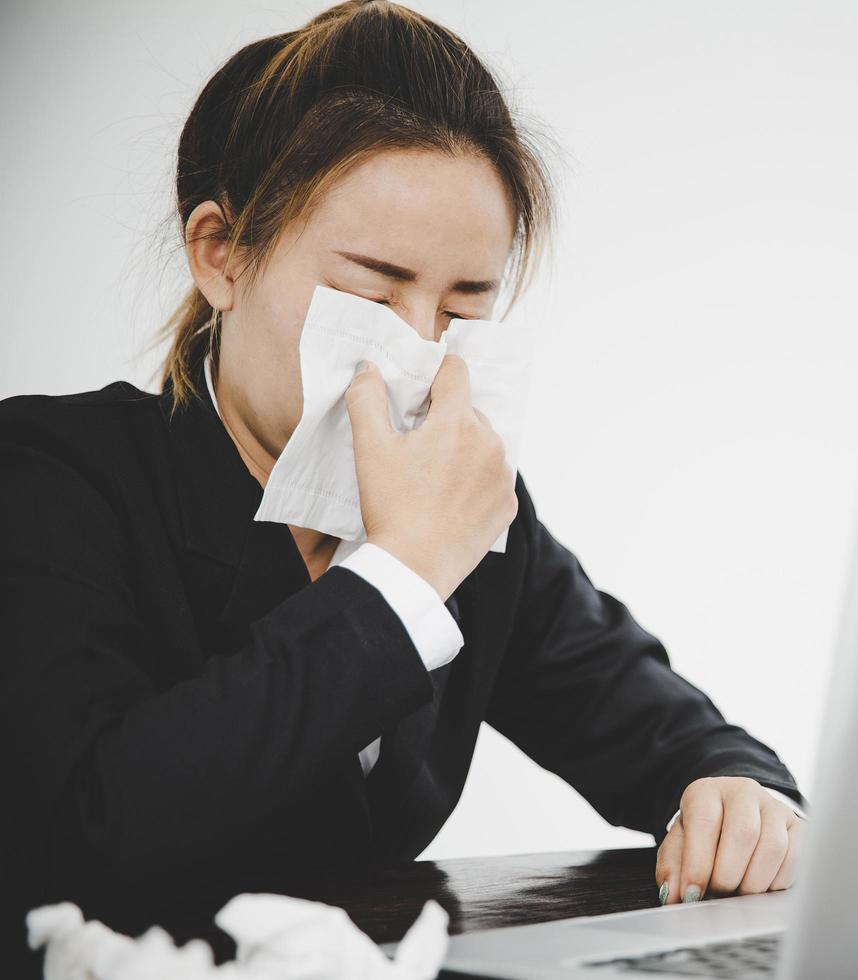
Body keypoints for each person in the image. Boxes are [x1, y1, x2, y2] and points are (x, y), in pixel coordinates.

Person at [0, 0, 805, 967]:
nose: (422, 351)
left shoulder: (471, 511)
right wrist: (400, 577)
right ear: (220, 252)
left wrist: (738, 793)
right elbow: (82, 839)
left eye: (465, 303)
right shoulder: (53, 474)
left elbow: (666, 730)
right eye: (373, 294)